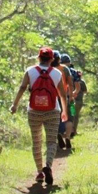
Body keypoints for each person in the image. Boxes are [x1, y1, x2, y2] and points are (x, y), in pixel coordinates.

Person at [10, 47, 67, 186]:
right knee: (51, 141)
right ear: (52, 59)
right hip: (53, 111)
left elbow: (22, 88)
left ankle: (40, 172)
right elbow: (62, 94)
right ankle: (48, 165)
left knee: (36, 141)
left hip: (34, 111)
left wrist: (14, 105)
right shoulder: (57, 73)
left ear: (39, 58)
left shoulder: (30, 71)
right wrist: (64, 111)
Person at [72, 69, 87, 135]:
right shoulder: (82, 82)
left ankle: (69, 130)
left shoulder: (71, 81)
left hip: (72, 100)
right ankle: (74, 131)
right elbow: (85, 91)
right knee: (76, 116)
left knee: (71, 115)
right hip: (79, 101)